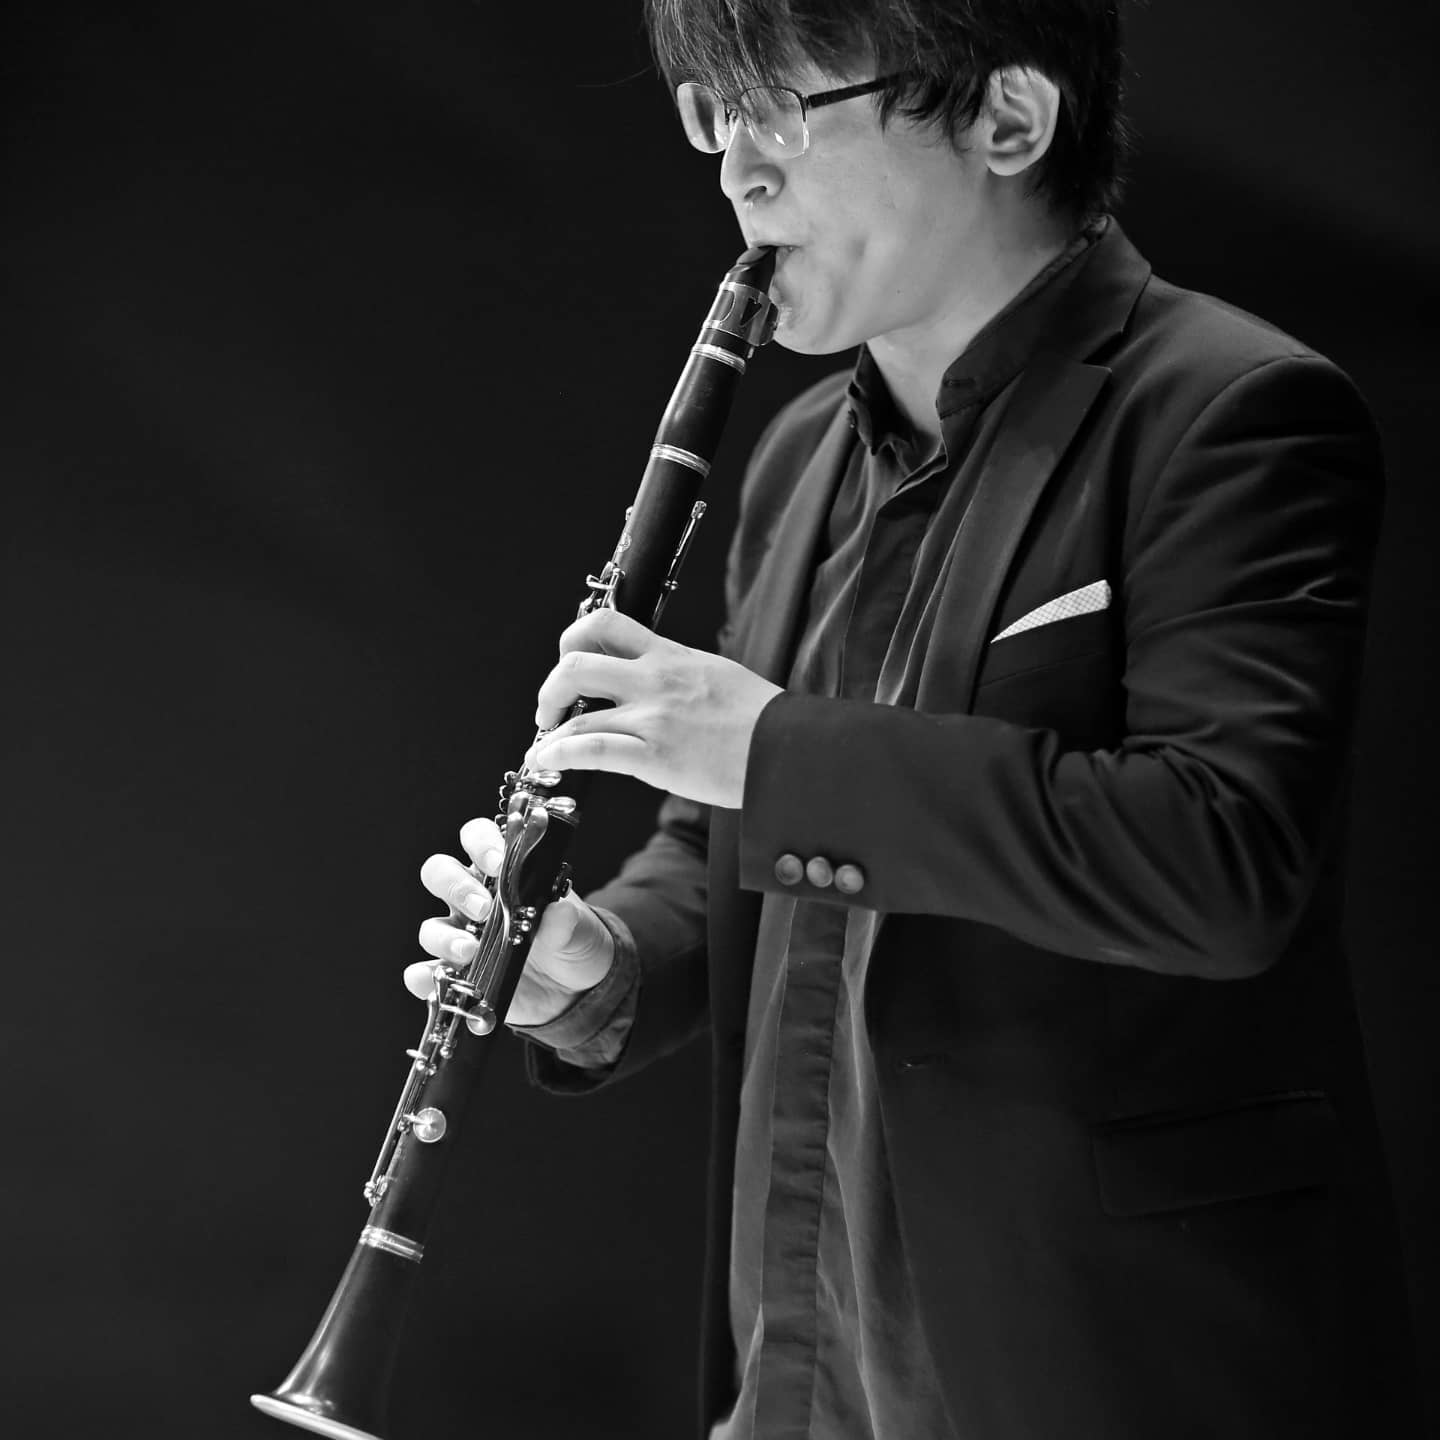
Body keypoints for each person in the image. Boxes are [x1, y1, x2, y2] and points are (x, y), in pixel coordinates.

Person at [413, 2, 1420, 1436]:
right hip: (799, 1369)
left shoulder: (1231, 413)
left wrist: (773, 748)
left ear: (1009, 120)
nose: (738, 171)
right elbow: (723, 844)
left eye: (783, 110)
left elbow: (1223, 858)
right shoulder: (795, 459)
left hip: (1105, 1373)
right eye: (715, 114)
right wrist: (603, 962)